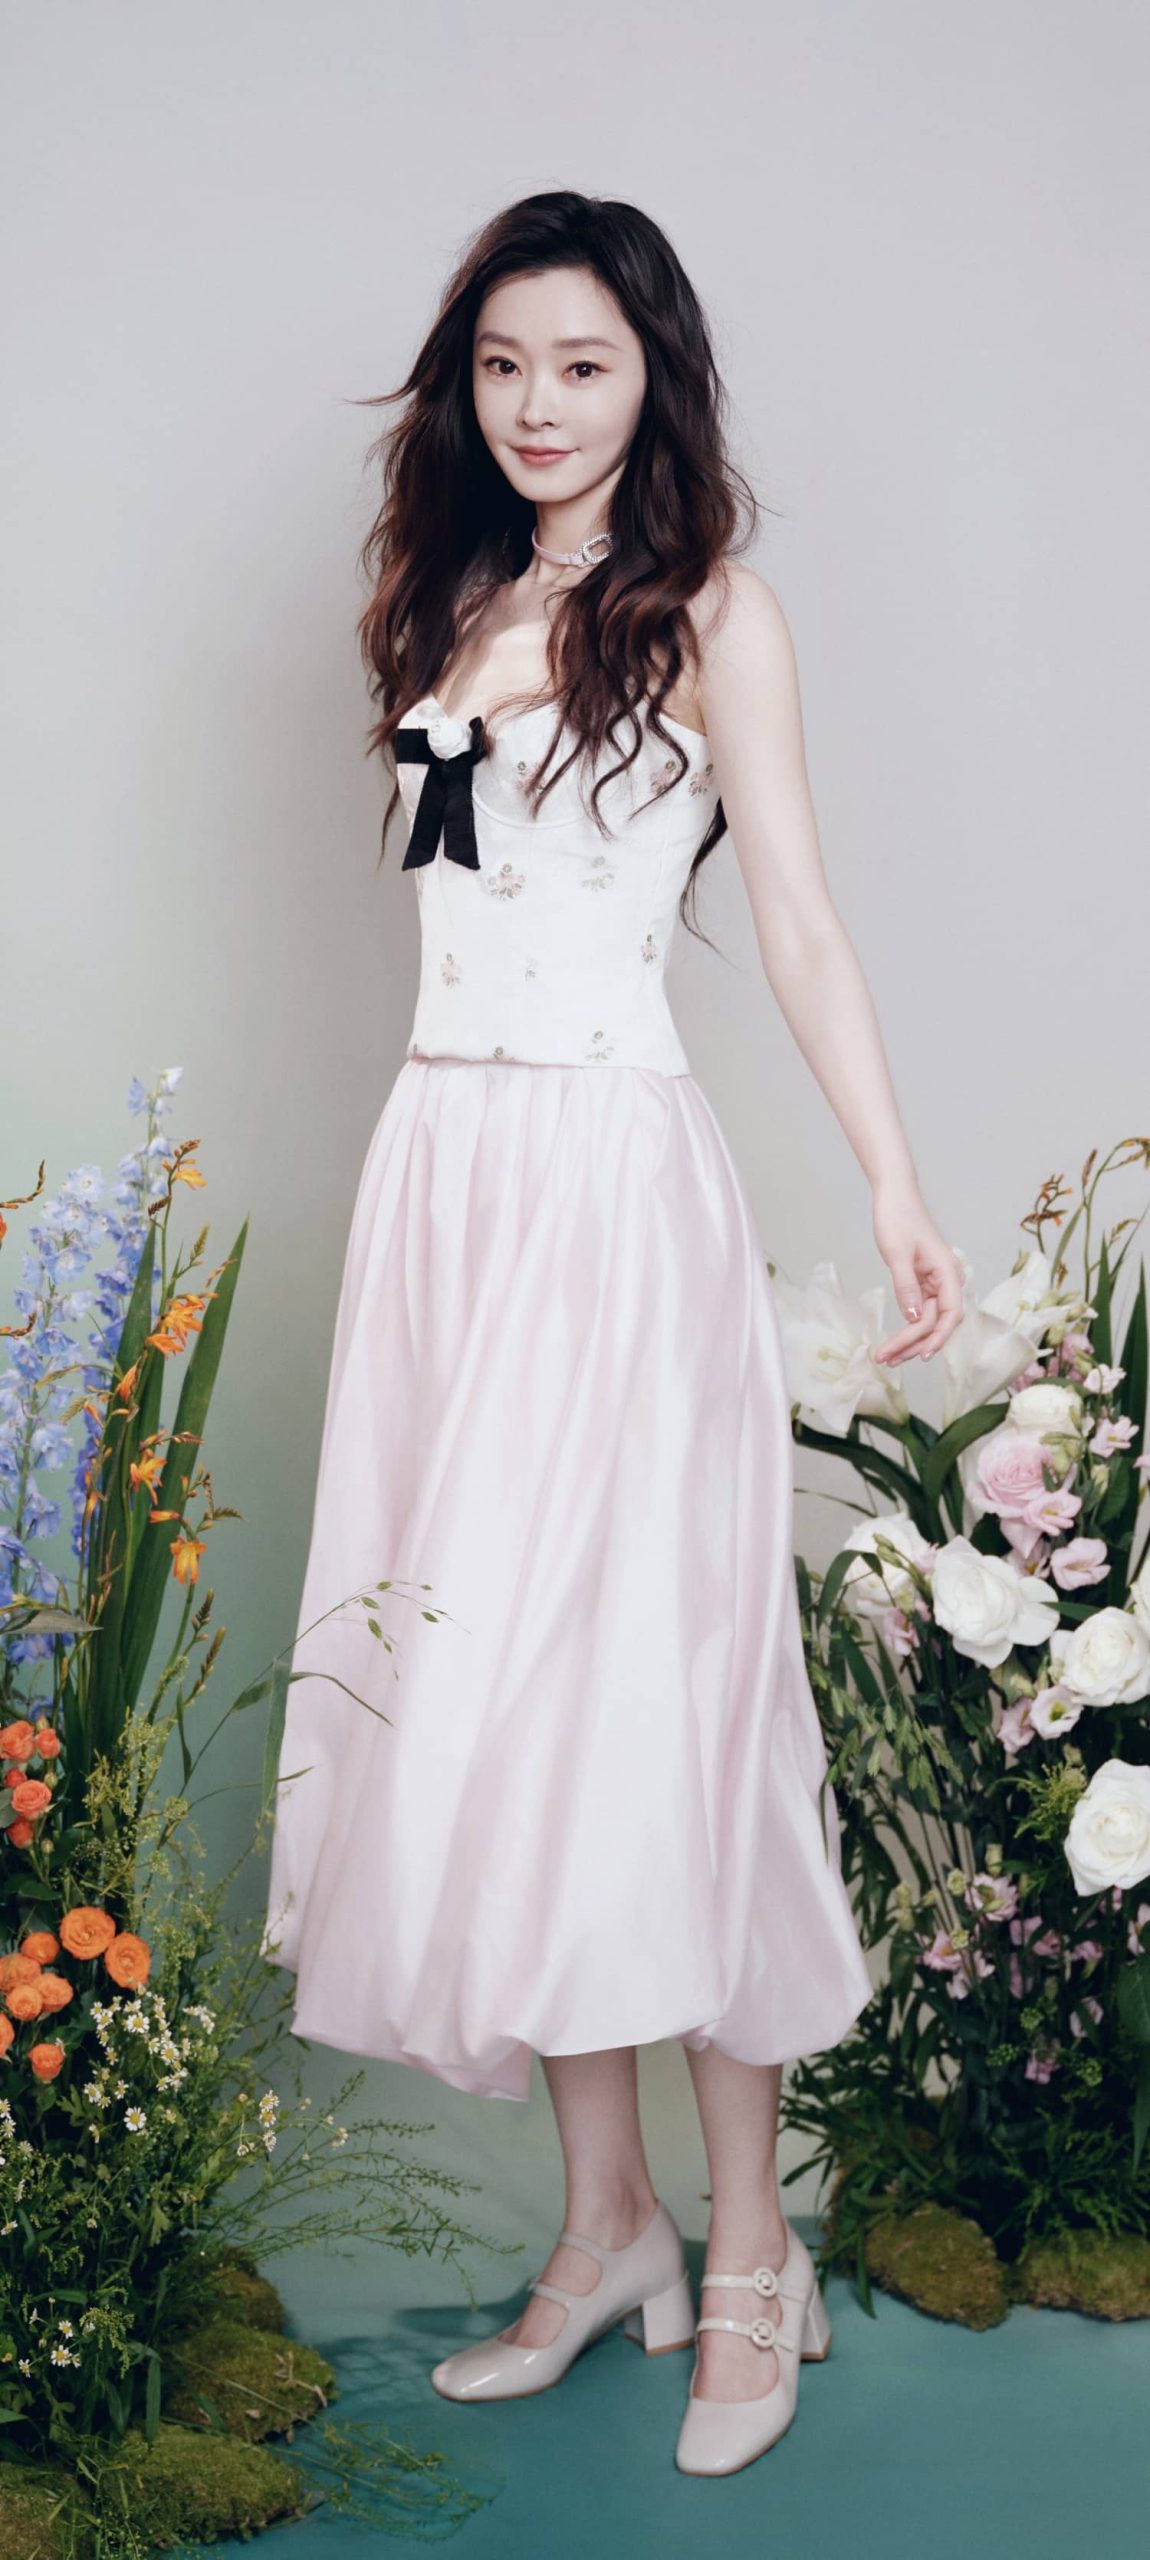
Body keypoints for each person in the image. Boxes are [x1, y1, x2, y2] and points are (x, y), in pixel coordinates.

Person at [260, 189, 962, 2479]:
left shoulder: (712, 611)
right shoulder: (448, 599)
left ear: (651, 371)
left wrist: (889, 1181)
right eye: (499, 364)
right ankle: (605, 2226)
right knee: (499, 1707)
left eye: (577, 361)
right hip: (443, 1187)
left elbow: (800, 919)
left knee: (657, 1707)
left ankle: (746, 2247)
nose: (535, 403)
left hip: (605, 1188)